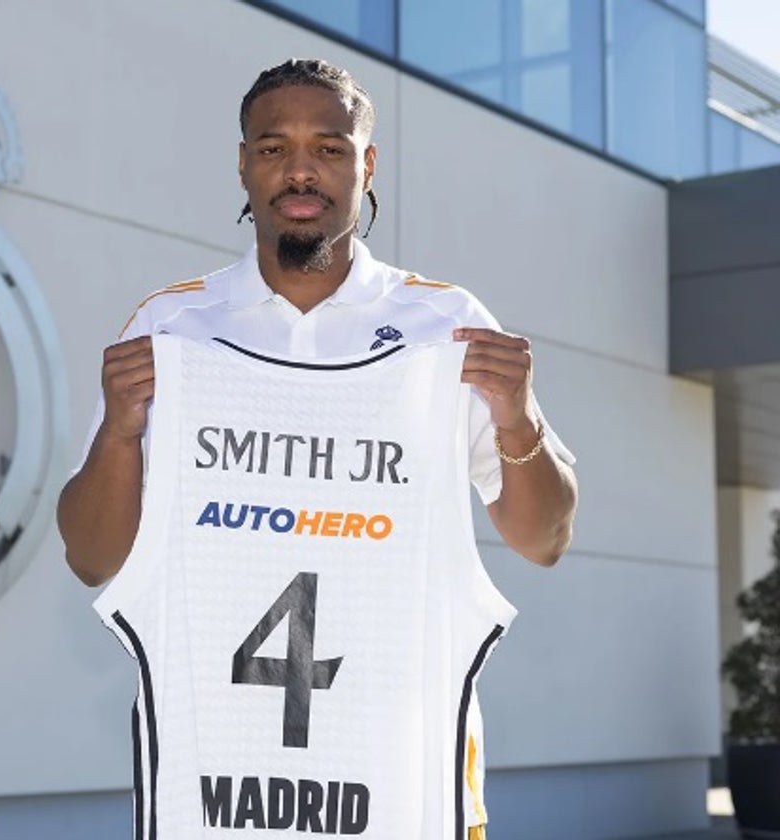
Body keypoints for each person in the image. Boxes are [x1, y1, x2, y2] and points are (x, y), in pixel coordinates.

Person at [58, 58, 578, 840]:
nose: (300, 169)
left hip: (401, 784)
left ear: (367, 164)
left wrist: (517, 417)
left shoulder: (446, 327)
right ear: (242, 165)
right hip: (217, 789)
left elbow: (544, 540)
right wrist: (120, 429)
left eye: (329, 148)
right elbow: (93, 560)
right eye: (273, 148)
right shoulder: (171, 330)